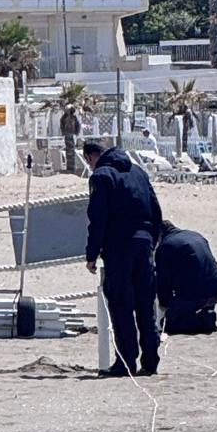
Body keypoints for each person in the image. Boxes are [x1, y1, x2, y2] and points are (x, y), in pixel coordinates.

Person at [84, 137, 163, 377]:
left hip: (118, 246)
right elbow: (156, 208)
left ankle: (126, 362)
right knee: (145, 302)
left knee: (121, 304)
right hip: (144, 244)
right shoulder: (138, 172)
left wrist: (91, 254)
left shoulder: (101, 176)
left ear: (90, 157)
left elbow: (98, 219)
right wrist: (153, 240)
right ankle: (150, 361)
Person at [155, 219, 217, 334]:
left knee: (171, 322)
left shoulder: (165, 247)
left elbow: (164, 285)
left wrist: (165, 306)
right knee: (199, 280)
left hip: (197, 295)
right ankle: (207, 314)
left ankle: (201, 321)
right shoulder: (195, 235)